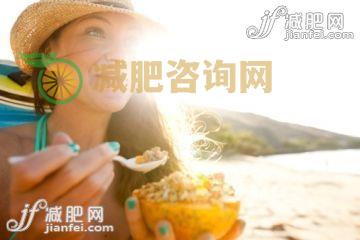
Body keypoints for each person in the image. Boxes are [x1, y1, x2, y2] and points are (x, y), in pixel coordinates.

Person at [0, 0, 245, 239]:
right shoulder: (5, 155)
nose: (121, 56)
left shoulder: (160, 174)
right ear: (50, 52)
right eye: (95, 32)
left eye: (132, 42)